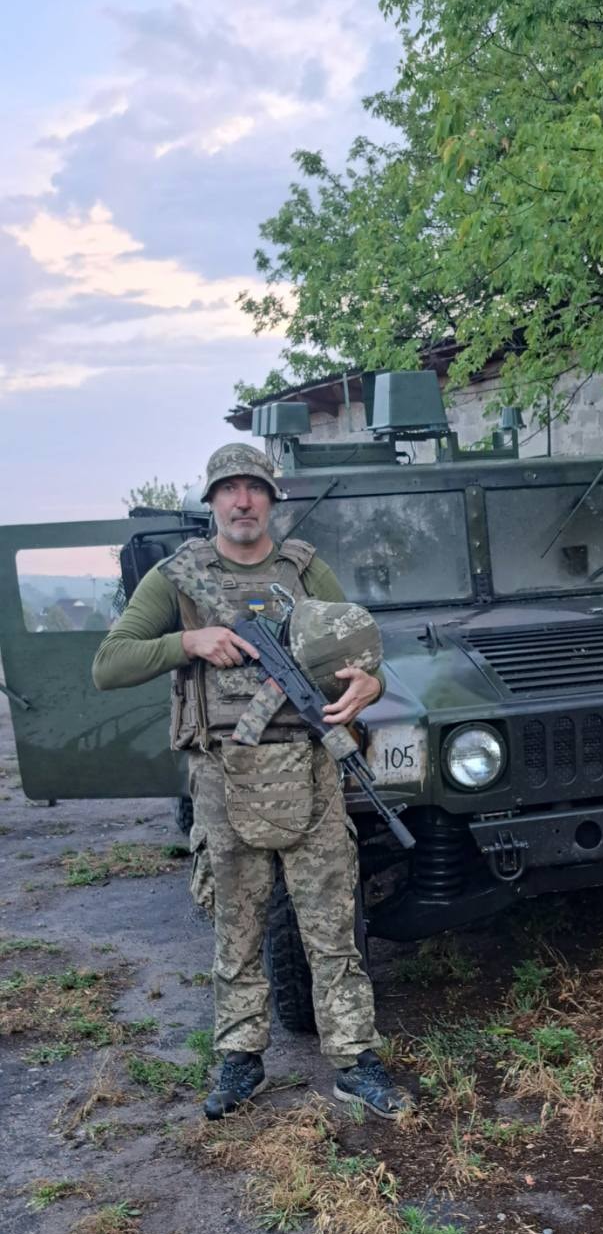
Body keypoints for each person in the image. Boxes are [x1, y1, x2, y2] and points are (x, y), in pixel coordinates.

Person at [92, 442, 412, 1122]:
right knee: (235, 931)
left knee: (332, 930)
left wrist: (371, 684)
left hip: (311, 770)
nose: (243, 501)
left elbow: (359, 654)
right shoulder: (178, 578)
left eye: (255, 488)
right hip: (223, 776)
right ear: (212, 500)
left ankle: (355, 1060)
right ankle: (240, 1060)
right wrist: (188, 642)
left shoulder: (304, 569)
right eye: (229, 489)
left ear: (271, 498)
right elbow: (109, 664)